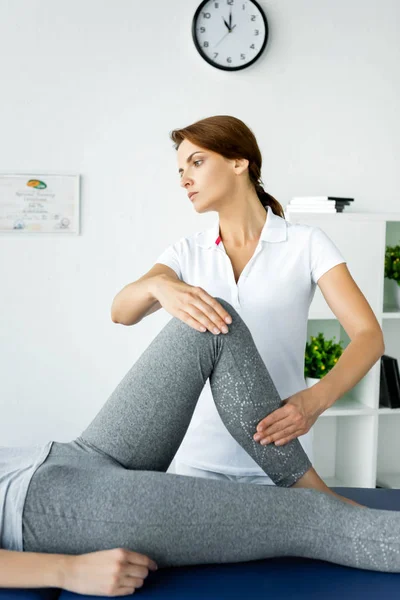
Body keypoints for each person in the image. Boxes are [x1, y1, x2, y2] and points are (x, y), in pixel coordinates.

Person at [1, 117, 395, 596]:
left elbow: (369, 336)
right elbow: (120, 311)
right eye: (180, 168)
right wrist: (160, 285)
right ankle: (319, 506)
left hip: (275, 458)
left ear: (239, 162)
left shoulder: (305, 243)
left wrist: (315, 400)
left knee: (218, 319)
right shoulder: (187, 251)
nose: (184, 177)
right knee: (214, 316)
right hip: (196, 464)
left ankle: (310, 494)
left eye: (196, 161)